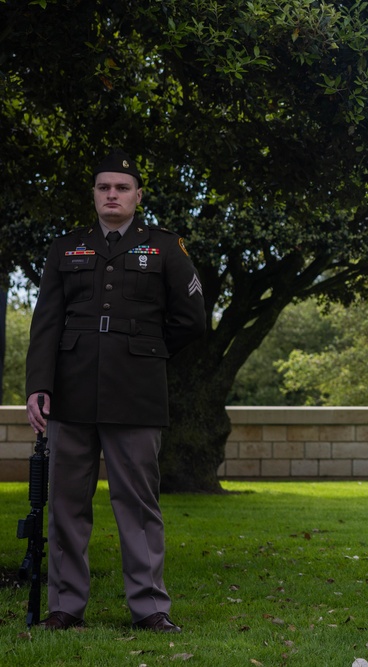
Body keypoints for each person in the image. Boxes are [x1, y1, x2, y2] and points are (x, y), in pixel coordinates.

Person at [25, 149, 206, 632]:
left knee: (139, 504)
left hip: (137, 393)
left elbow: (191, 320)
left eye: (122, 188)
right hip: (71, 390)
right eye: (104, 187)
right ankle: (65, 606)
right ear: (94, 195)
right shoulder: (66, 248)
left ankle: (149, 608)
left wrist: (144, 351)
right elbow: (46, 323)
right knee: (65, 502)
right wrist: (39, 386)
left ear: (137, 196)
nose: (112, 195)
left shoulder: (165, 247)